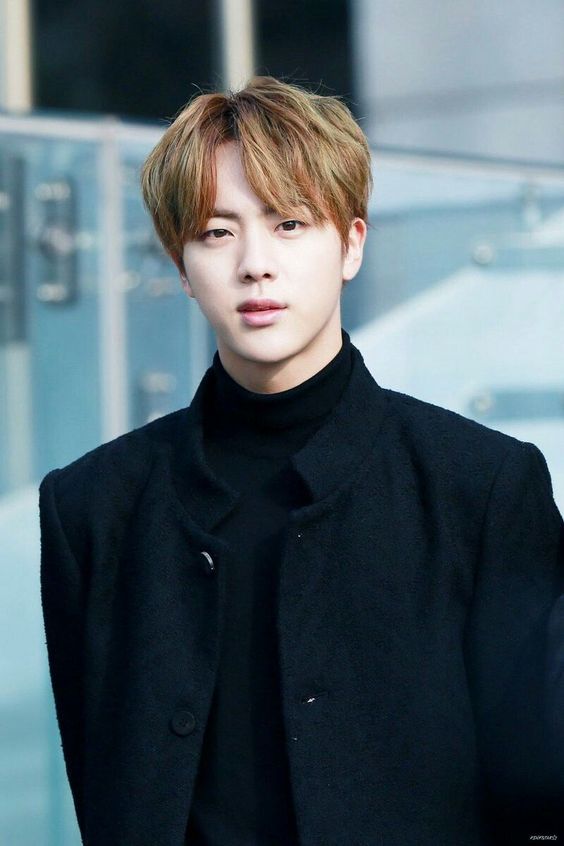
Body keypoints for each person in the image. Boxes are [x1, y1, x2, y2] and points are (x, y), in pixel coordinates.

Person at [39, 75, 564, 846]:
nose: (255, 264)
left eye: (289, 223)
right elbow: (110, 793)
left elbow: (539, 792)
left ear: (351, 244)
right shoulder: (91, 507)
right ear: (181, 265)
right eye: (216, 232)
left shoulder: (480, 487)